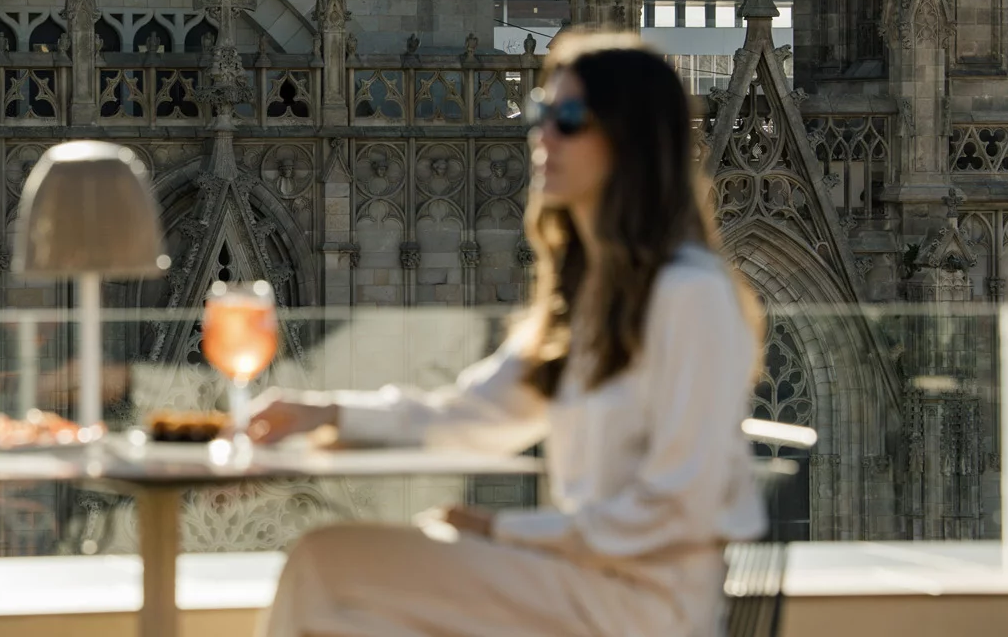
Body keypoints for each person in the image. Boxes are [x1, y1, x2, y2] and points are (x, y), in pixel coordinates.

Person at [250, 33, 767, 637]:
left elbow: (682, 509)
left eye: (569, 117)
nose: (542, 133)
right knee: (330, 570)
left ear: (631, 141)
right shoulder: (594, 294)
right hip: (578, 582)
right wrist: (324, 413)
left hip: (642, 607)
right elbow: (471, 415)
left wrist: (504, 530)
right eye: (542, 110)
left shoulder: (689, 294)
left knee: (326, 566)